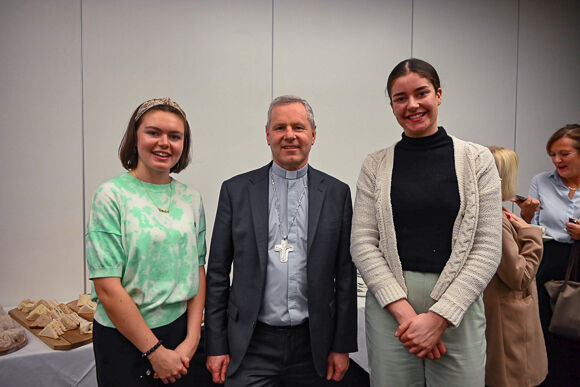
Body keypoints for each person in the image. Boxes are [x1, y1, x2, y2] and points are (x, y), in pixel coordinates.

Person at [351, 58, 502, 386]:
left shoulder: (477, 161)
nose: (412, 104)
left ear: (439, 95)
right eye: (400, 98)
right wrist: (404, 313)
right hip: (392, 307)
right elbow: (363, 242)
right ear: (391, 105)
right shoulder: (375, 165)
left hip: (457, 306)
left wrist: (440, 317)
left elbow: (488, 246)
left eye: (421, 93)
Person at [204, 95, 357, 386]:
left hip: (313, 343)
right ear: (267, 135)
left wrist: (342, 345)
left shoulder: (337, 193)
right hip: (250, 343)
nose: (289, 135)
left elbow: (346, 275)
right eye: (280, 127)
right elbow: (218, 274)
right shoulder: (236, 191)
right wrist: (216, 345)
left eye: (298, 127)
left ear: (313, 134)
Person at [86, 97, 207, 386]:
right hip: (124, 340)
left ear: (183, 145)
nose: (164, 143)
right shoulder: (111, 196)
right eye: (154, 133)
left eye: (175, 136)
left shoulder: (191, 198)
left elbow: (198, 269)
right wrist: (154, 352)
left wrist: (192, 339)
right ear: (135, 137)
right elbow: (106, 286)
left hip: (181, 337)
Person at [515, 123, 580, 386]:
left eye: (564, 153)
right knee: (545, 328)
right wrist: (527, 216)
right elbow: (534, 225)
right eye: (552, 154)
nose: (556, 160)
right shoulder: (541, 181)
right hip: (549, 261)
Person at [484, 146, 547, 387]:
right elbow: (518, 277)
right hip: (508, 322)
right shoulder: (495, 220)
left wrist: (524, 222)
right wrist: (533, 234)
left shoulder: (485, 211)